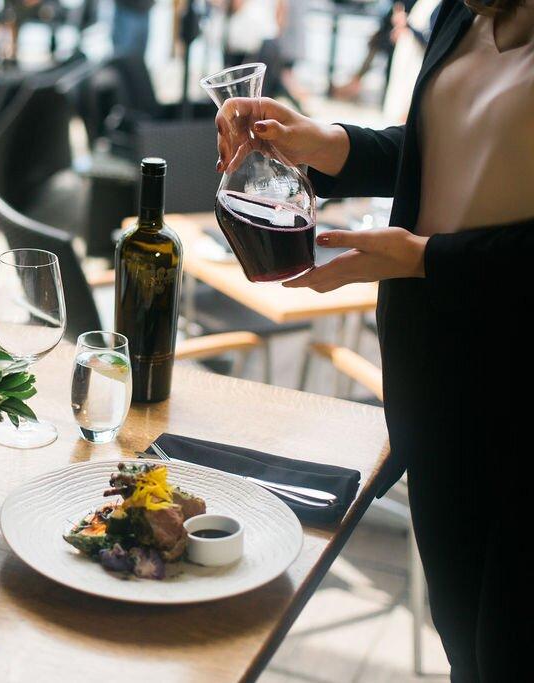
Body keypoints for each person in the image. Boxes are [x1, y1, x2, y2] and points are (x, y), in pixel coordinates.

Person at [215, 0, 531, 678]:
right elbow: (442, 144)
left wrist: (424, 258)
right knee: (464, 643)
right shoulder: (462, 15)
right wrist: (327, 144)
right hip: (436, 381)